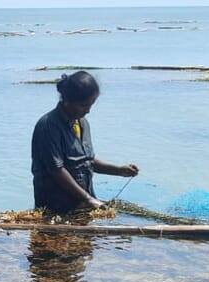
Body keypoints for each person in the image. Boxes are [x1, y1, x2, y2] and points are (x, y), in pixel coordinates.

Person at [31, 71, 140, 215]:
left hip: (82, 206)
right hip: (56, 209)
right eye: (83, 105)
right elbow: (56, 170)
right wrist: (88, 199)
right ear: (67, 100)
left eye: (91, 105)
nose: (88, 110)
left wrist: (118, 170)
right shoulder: (48, 126)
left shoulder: (82, 123)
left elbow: (87, 161)